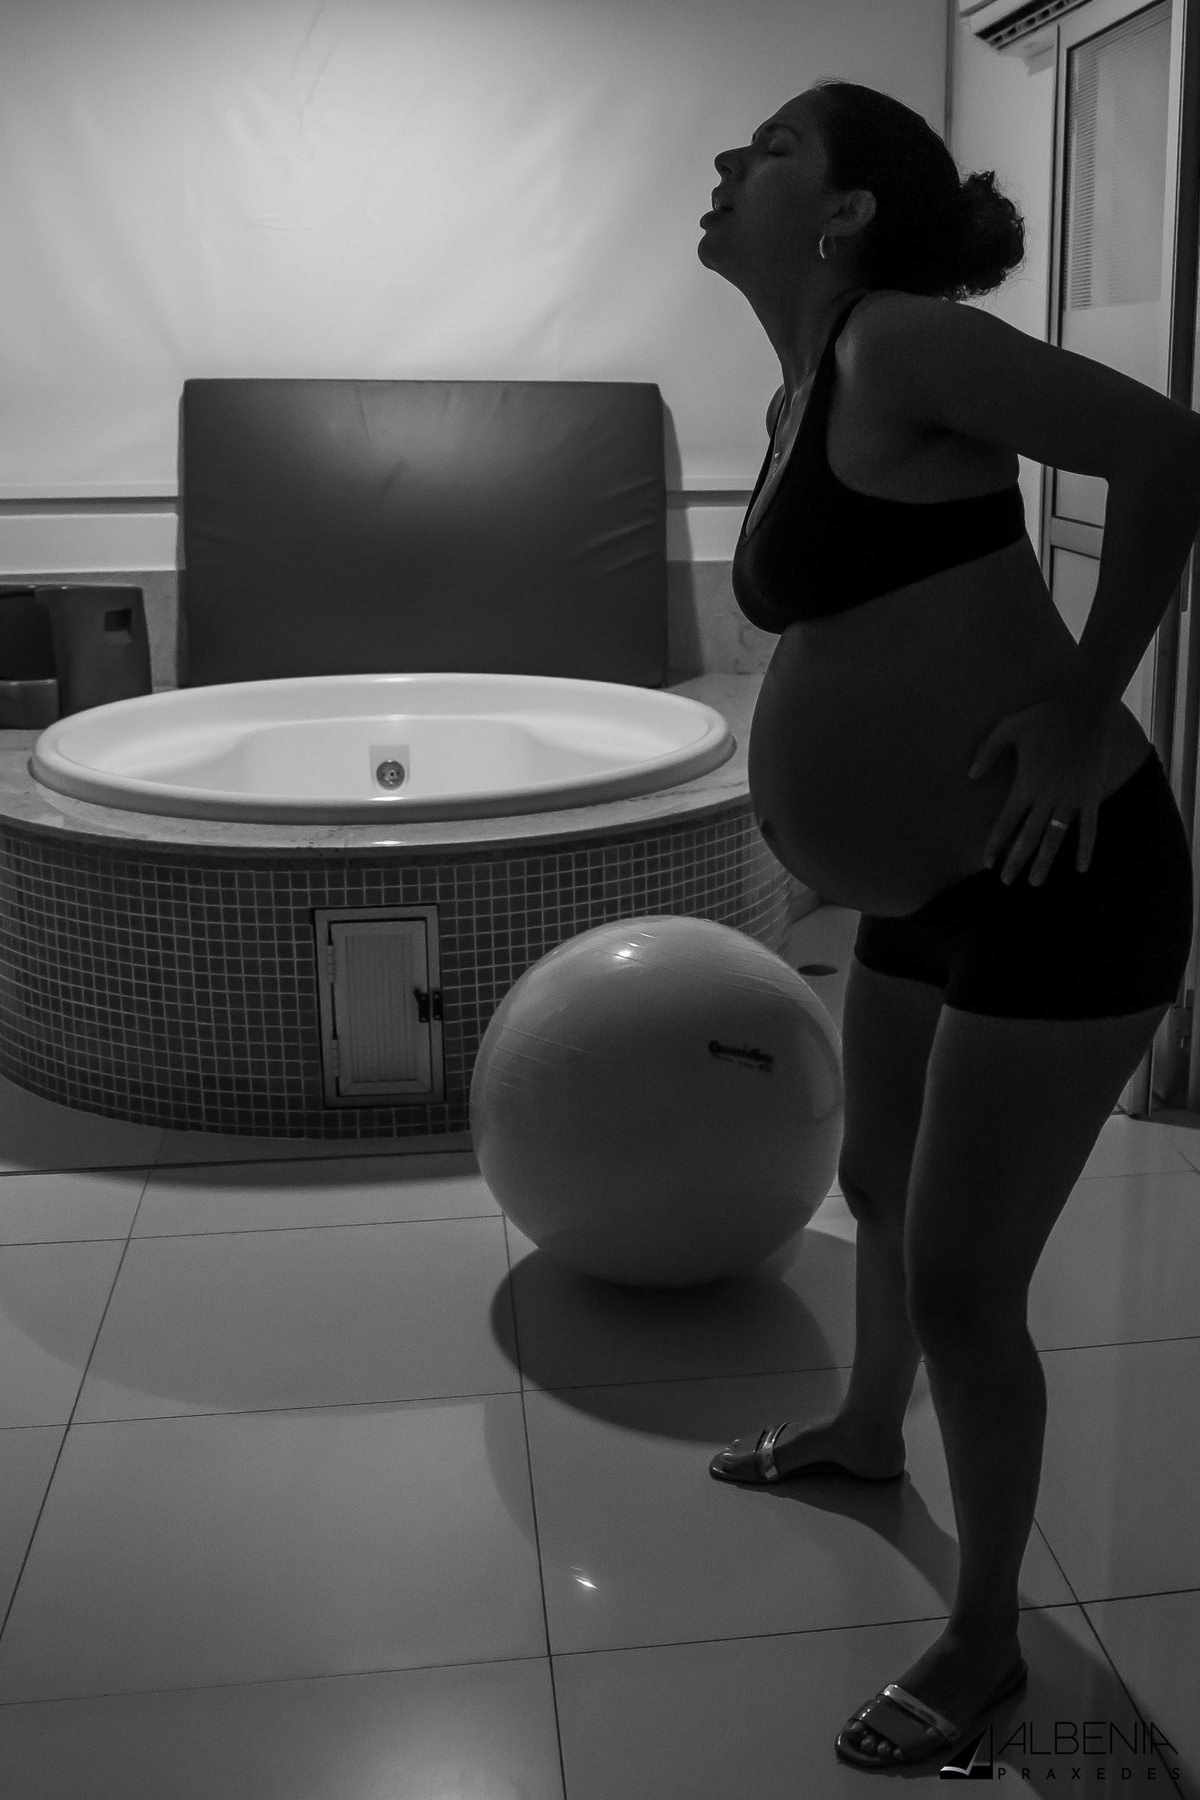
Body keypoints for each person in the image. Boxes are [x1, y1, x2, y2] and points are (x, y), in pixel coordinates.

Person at [700, 79, 1200, 1771]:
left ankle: (986, 1643)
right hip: (929, 884)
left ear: (847, 211)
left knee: (969, 1279)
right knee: (877, 1184)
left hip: (1064, 875)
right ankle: (865, 1426)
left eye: (773, 148)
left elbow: (1169, 448)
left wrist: (1084, 702)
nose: (730, 163)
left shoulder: (902, 339)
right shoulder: (804, 387)